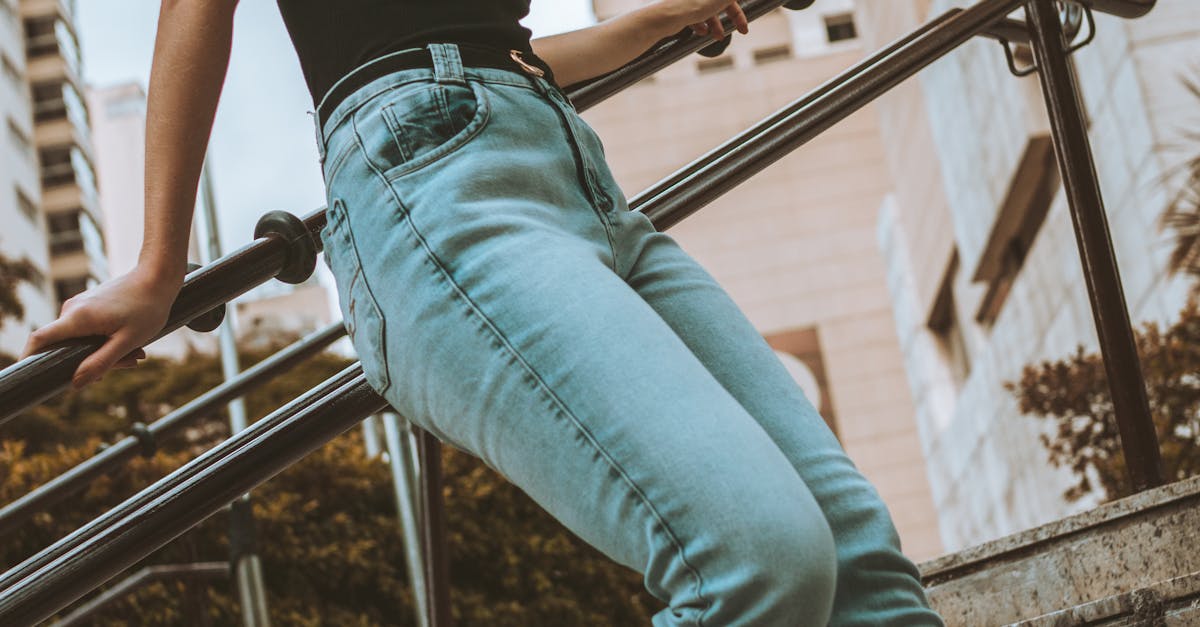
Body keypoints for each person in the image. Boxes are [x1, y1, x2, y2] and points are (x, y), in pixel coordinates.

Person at [22, 1, 943, 625]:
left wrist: (663, 19)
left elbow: (499, 51)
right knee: (759, 557)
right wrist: (158, 266)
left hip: (569, 167)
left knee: (860, 559)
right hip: (432, 188)